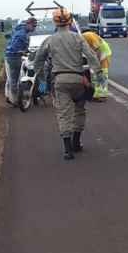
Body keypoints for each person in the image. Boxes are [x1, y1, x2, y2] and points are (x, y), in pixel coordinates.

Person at [31, 8, 100, 161]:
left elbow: (38, 61)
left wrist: (42, 78)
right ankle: (77, 142)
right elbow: (91, 56)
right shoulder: (78, 38)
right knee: (79, 111)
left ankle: (68, 150)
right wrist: (98, 74)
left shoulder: (50, 40)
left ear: (55, 22)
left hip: (60, 81)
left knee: (64, 114)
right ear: (70, 21)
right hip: (78, 80)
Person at [4, 17, 37, 102]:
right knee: (15, 78)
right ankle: (14, 100)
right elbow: (15, 47)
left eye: (35, 26)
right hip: (14, 56)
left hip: (9, 55)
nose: (34, 28)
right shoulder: (22, 34)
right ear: (28, 24)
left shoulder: (18, 30)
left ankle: (8, 95)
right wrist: (22, 51)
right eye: (33, 26)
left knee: (11, 77)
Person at [81, 29, 112, 100]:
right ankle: (97, 94)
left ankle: (102, 95)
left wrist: (96, 62)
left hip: (104, 53)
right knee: (95, 74)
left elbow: (98, 49)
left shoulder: (88, 36)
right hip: (98, 54)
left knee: (102, 72)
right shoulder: (83, 39)